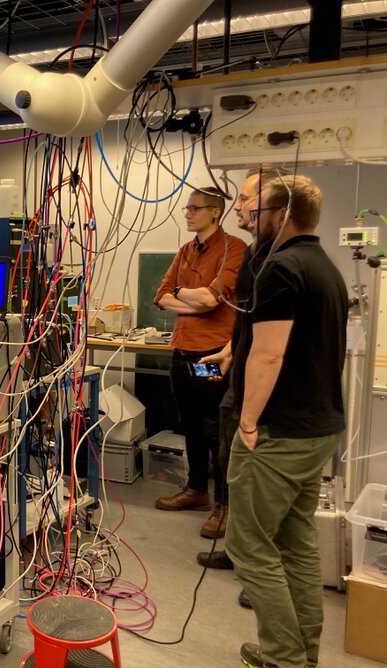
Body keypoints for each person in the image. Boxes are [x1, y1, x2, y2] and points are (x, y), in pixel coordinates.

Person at [225, 175, 347, 668]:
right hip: (318, 429)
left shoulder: (281, 269)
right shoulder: (325, 268)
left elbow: (269, 355)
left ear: (282, 215)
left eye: (256, 211)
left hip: (278, 433)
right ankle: (302, 655)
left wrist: (248, 422)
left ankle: (282, 658)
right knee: (295, 543)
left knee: (248, 545)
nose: (248, 217)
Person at [196, 168, 290, 561]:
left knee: (252, 475)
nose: (238, 206)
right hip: (236, 373)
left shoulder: (281, 262)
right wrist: (231, 350)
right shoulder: (255, 255)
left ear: (277, 206)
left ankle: (254, 563)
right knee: (227, 456)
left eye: (247, 198)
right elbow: (247, 318)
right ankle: (236, 545)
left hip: (262, 390)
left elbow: (272, 346)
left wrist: (249, 418)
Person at [152, 188, 247, 525]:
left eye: (195, 208)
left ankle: (223, 506)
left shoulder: (235, 248)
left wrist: (186, 296)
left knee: (215, 429)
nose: (188, 213)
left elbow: (211, 298)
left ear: (215, 212)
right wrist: (192, 302)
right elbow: (161, 296)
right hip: (182, 352)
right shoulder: (185, 250)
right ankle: (196, 490)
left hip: (212, 355)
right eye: (187, 208)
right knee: (190, 424)